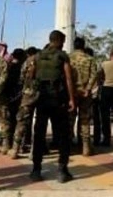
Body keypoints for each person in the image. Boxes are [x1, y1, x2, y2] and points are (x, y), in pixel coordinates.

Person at [29, 31, 75, 183]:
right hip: (58, 99)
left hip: (42, 98)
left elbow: (31, 76)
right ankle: (62, 170)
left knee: (39, 134)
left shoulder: (37, 56)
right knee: (63, 134)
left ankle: (36, 170)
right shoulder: (62, 56)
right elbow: (68, 78)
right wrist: (71, 99)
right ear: (60, 41)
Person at [69, 37, 99, 157]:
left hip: (72, 93)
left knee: (70, 120)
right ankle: (86, 147)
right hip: (85, 94)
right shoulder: (90, 59)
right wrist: (88, 89)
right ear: (83, 45)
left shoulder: (68, 58)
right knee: (85, 120)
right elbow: (94, 75)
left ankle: (69, 146)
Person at [10, 47, 39, 158]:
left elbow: (21, 78)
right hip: (43, 94)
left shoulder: (27, 61)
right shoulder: (43, 60)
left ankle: (15, 149)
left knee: (21, 121)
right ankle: (34, 152)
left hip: (28, 95)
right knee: (39, 123)